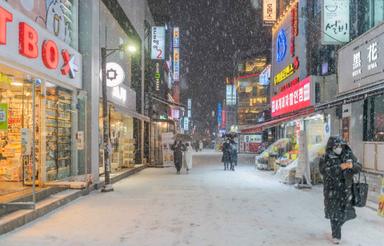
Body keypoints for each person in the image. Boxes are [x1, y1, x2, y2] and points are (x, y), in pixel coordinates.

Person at [319, 136, 362, 244]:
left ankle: (337, 227)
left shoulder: (348, 154)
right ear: (331, 146)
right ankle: (336, 235)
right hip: (331, 190)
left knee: (345, 212)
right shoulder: (325, 157)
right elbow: (324, 171)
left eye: (340, 145)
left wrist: (352, 166)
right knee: (334, 213)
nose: (339, 148)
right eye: (336, 146)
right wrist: (340, 167)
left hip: (346, 190)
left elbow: (359, 167)